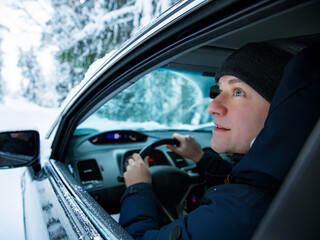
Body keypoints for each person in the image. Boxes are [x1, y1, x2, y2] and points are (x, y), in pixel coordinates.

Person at [119, 39, 320, 239]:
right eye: (220, 91)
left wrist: (137, 188)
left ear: (280, 109)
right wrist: (199, 157)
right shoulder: (295, 180)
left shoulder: (238, 214)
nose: (212, 107)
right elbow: (247, 179)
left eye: (238, 92)